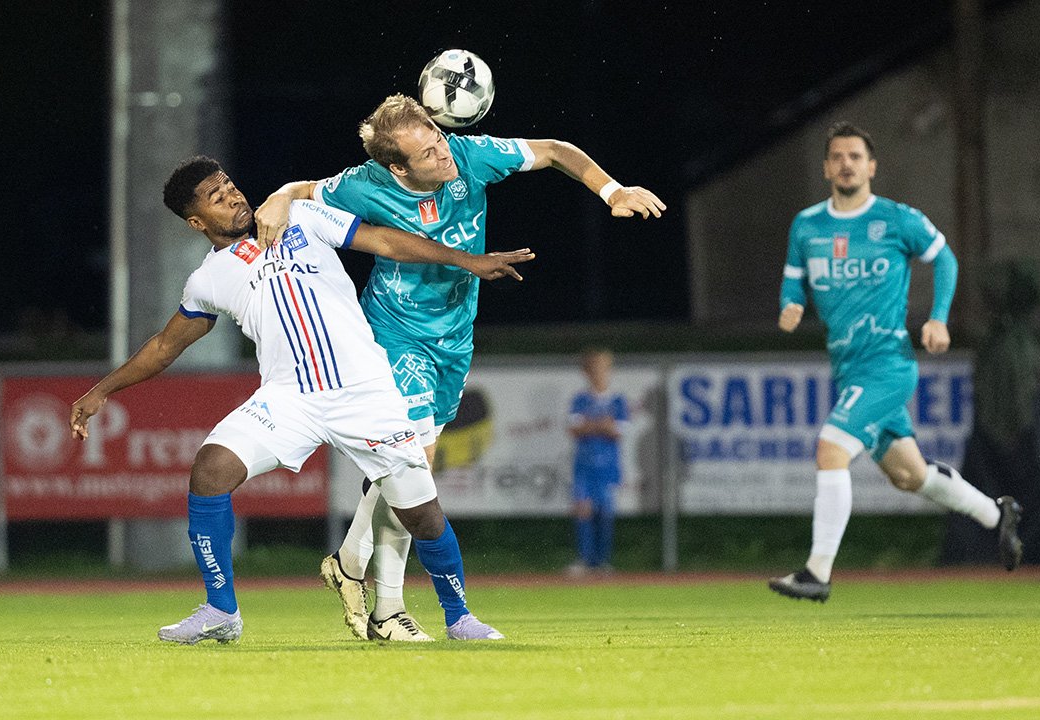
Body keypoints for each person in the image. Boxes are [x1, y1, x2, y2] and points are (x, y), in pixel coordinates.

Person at [70, 156, 535, 642]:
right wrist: (101, 391)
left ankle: (459, 618)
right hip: (290, 398)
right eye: (216, 196)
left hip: (364, 391)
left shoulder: (300, 216)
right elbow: (165, 347)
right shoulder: (207, 280)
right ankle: (221, 610)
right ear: (196, 222)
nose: (232, 196)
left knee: (419, 512)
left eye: (229, 184)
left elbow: (382, 240)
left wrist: (467, 260)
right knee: (210, 469)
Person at [255, 94, 666, 641]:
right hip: (395, 334)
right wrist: (280, 196)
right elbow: (302, 189)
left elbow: (554, 150)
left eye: (438, 138)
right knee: (413, 462)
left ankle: (367, 583)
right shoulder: (364, 185)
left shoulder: (469, 156)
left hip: (455, 339)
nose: (442, 154)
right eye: (426, 152)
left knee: (411, 472)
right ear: (396, 167)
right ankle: (380, 586)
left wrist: (613, 191)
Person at [771, 122, 1023, 602]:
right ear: (826, 167)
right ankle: (997, 514)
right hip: (847, 368)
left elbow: (944, 258)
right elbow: (792, 280)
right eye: (838, 156)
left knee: (831, 449)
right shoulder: (807, 225)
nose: (847, 163)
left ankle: (816, 573)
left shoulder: (896, 219)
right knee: (910, 476)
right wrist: (792, 305)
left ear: (872, 166)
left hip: (888, 364)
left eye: (856, 156)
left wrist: (939, 319)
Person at [565, 348, 630, 576]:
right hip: (583, 466)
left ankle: (602, 562)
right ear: (586, 372)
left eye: (602, 369)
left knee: (605, 512)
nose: (598, 374)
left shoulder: (618, 400)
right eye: (593, 369)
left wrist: (590, 426)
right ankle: (585, 559)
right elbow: (574, 429)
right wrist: (602, 425)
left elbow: (618, 430)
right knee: (583, 510)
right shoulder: (580, 399)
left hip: (608, 466)